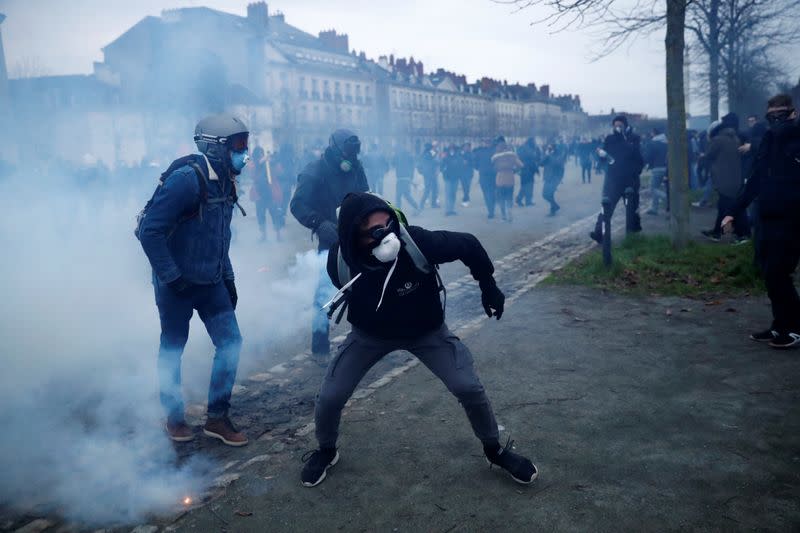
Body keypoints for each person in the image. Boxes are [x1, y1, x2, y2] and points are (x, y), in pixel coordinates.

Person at [300, 192, 538, 487]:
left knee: (468, 387)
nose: (388, 237)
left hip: (427, 332)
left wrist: (488, 285)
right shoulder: (340, 260)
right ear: (353, 239)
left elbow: (468, 244)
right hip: (369, 335)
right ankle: (326, 450)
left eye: (388, 226)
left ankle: (494, 449)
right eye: (375, 233)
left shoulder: (415, 242)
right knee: (330, 396)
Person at [137, 114, 249, 446]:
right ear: (216, 148)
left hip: (210, 281)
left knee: (231, 343)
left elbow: (220, 236)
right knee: (173, 349)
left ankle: (217, 417)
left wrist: (227, 278)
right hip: (176, 287)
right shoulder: (186, 180)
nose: (245, 153)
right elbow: (150, 231)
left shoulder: (227, 180)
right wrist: (173, 278)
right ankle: (174, 418)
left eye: (246, 145)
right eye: (239, 147)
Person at [722, 94, 800, 349]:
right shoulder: (768, 140)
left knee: (780, 272)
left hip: (790, 217)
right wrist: (734, 210)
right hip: (765, 216)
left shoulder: (793, 139)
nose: (776, 120)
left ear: (792, 113)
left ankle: (795, 328)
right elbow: (755, 179)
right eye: (772, 115)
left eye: (781, 114)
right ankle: (780, 326)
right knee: (770, 273)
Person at [291, 129, 369, 360]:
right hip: (330, 241)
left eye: (354, 151)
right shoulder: (315, 170)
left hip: (358, 237)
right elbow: (297, 205)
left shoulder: (356, 165)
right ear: (335, 147)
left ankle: (365, 341)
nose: (351, 155)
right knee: (325, 294)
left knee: (365, 287)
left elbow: (365, 193)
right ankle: (319, 347)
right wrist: (319, 223)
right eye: (347, 150)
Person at [590, 115, 644, 243]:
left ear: (625, 126)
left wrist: (635, 173)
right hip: (613, 179)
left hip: (630, 180)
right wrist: (601, 155)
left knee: (631, 208)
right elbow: (605, 157)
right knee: (606, 206)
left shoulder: (633, 138)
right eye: (615, 126)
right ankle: (599, 233)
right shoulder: (610, 139)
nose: (617, 128)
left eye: (620, 125)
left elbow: (637, 157)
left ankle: (632, 234)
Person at [700, 116, 749, 243]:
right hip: (735, 178)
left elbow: (708, 156)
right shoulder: (735, 138)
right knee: (724, 206)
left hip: (724, 179)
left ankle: (743, 234)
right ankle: (717, 232)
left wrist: (703, 155)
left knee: (732, 208)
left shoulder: (717, 140)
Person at [492, 141, 522, 222]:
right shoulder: (512, 155)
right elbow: (521, 165)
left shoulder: (496, 157)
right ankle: (510, 213)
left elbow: (493, 167)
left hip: (500, 179)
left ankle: (503, 216)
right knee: (509, 197)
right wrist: (514, 170)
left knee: (501, 198)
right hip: (510, 178)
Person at [644, 130, 668, 215]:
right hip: (667, 168)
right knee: (658, 187)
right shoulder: (666, 143)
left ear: (653, 133)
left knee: (653, 188)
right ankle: (654, 208)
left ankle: (668, 199)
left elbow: (647, 157)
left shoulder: (652, 143)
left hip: (656, 168)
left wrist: (645, 164)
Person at [474, 137, 499, 219]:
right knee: (488, 194)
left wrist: (480, 168)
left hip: (491, 175)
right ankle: (491, 210)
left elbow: (475, 164)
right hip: (486, 175)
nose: (487, 143)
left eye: (488, 142)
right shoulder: (491, 151)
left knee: (490, 194)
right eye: (486, 142)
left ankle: (491, 211)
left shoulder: (493, 151)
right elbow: (476, 163)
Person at [442, 144, 470, 216]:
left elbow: (461, 167)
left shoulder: (458, 157)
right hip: (448, 178)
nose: (452, 150)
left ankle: (451, 209)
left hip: (455, 178)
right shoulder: (446, 157)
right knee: (448, 194)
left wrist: (459, 174)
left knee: (453, 194)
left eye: (453, 149)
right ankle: (448, 210)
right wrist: (444, 173)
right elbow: (442, 167)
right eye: (450, 149)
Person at [541, 141, 566, 216]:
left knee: (548, 194)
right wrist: (546, 155)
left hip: (555, 178)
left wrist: (559, 179)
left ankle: (553, 209)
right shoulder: (548, 155)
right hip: (548, 178)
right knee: (546, 194)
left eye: (550, 148)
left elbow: (557, 164)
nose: (548, 149)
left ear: (554, 148)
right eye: (548, 148)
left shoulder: (559, 156)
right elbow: (541, 163)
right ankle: (554, 207)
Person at [392, 146, 419, 211]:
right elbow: (412, 167)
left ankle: (398, 211)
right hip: (407, 178)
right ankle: (416, 207)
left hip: (400, 178)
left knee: (399, 196)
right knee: (406, 195)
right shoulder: (410, 156)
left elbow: (393, 164)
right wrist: (411, 177)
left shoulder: (397, 156)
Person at [516, 137, 540, 206]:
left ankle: (522, 200)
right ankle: (526, 201)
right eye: (534, 141)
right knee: (529, 186)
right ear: (531, 142)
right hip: (528, 170)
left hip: (524, 169)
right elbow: (532, 161)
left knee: (525, 186)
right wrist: (536, 170)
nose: (535, 143)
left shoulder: (523, 148)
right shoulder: (530, 149)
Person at [417, 142, 440, 209]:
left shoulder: (424, 153)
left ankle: (424, 204)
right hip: (431, 174)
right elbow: (434, 162)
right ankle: (429, 204)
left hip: (427, 174)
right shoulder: (429, 154)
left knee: (429, 190)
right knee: (432, 190)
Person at [460, 142, 475, 207]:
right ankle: (466, 197)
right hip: (462, 172)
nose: (465, 148)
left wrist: (467, 162)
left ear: (469, 147)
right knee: (464, 186)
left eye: (467, 147)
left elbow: (473, 163)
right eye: (464, 146)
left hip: (469, 172)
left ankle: (465, 198)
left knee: (467, 186)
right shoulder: (461, 154)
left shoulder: (471, 154)